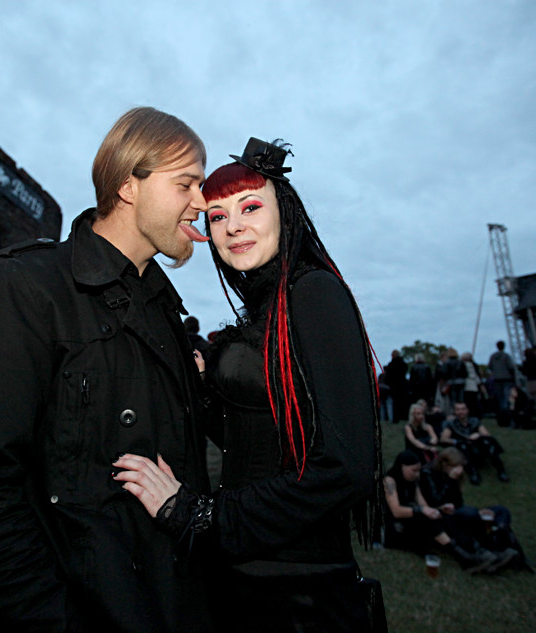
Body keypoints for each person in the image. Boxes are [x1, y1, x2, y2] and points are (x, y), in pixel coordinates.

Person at [0, 107, 214, 633]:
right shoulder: (24, 288)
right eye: (187, 184)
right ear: (129, 185)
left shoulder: (168, 316)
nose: (203, 201)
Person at [112, 138, 381, 632]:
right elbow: (268, 435)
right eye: (216, 217)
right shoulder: (265, 308)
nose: (233, 226)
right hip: (245, 578)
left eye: (250, 207)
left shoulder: (314, 292)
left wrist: (195, 514)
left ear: (286, 213)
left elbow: (346, 467)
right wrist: (200, 386)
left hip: (300, 592)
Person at [380, 451, 500, 573]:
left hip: (408, 519)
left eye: (418, 470)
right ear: (402, 466)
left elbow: (424, 505)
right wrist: (422, 510)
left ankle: (474, 549)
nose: (416, 474)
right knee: (426, 519)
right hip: (392, 526)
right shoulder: (389, 481)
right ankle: (462, 557)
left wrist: (438, 509)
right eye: (413, 470)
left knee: (439, 517)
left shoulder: (413, 482)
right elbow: (396, 511)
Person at [420, 448, 536, 572]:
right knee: (470, 514)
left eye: (461, 466)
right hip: (442, 514)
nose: (459, 470)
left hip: (457, 510)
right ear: (445, 464)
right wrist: (451, 481)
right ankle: (494, 548)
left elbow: (458, 502)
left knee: (501, 511)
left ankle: (500, 544)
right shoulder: (428, 473)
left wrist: (455, 483)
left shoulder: (456, 474)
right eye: (456, 466)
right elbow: (434, 501)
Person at [440, 401, 509, 484]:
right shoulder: (451, 424)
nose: (461, 412)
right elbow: (443, 439)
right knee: (463, 445)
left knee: (487, 442)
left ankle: (501, 471)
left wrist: (478, 435)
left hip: (477, 448)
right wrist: (457, 441)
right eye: (458, 410)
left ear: (467, 410)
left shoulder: (474, 421)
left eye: (463, 409)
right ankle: (473, 473)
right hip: (462, 449)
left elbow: (487, 434)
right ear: (455, 412)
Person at [488, 340, 517, 424]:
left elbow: (490, 366)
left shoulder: (493, 356)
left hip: (497, 379)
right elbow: (511, 367)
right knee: (506, 395)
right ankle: (506, 412)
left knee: (500, 396)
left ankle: (501, 412)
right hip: (506, 378)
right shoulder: (506, 356)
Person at [386, 349, 410, 424]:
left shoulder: (390, 365)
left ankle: (396, 418)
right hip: (403, 385)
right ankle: (404, 417)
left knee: (395, 403)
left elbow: (388, 377)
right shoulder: (403, 364)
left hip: (394, 387)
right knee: (403, 402)